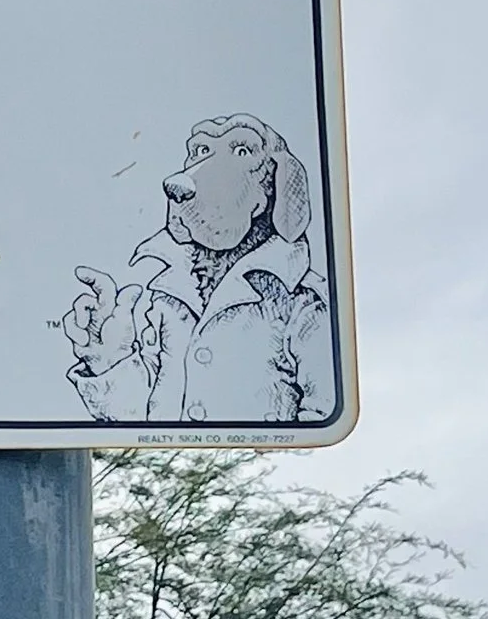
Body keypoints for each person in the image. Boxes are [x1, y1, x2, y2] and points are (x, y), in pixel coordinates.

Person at [63, 113, 335, 425]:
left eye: (242, 152)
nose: (182, 181)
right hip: (171, 471)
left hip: (254, 472)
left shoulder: (303, 303)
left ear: (279, 183)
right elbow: (140, 420)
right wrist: (105, 358)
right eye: (202, 150)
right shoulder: (169, 297)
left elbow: (320, 420)